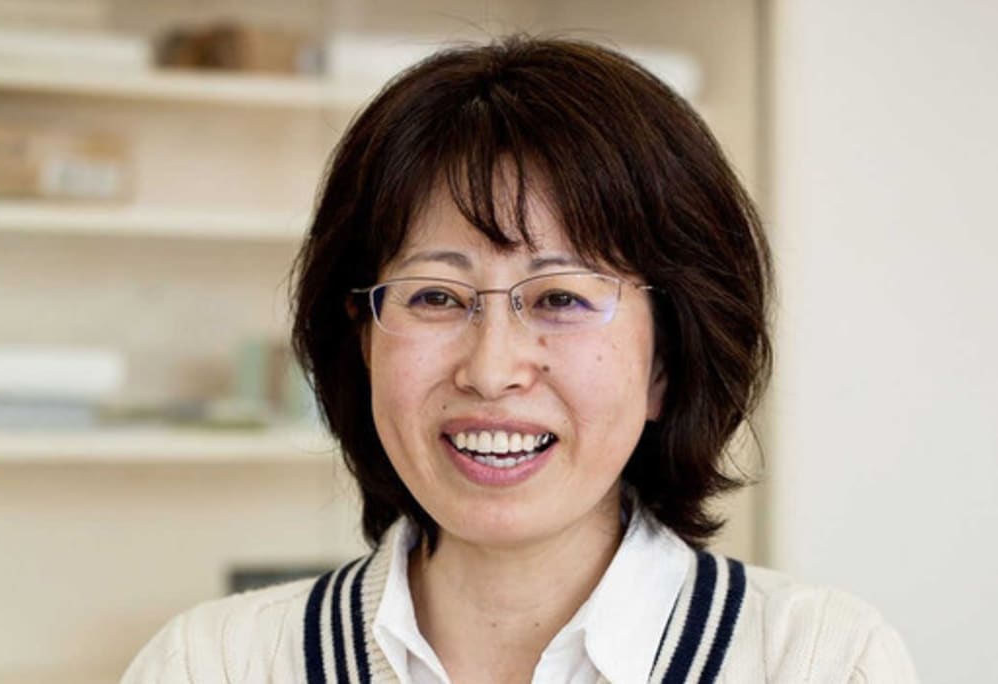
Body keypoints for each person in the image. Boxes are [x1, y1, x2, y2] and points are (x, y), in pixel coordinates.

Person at [123, 36, 918, 683]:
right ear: (363, 343)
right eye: (436, 297)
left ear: (666, 362)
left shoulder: (817, 661)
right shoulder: (213, 665)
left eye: (560, 297)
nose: (491, 368)